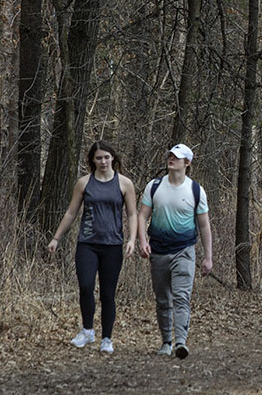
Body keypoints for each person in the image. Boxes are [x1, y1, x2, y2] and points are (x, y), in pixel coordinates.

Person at [47, 141, 137, 354]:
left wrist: (132, 239)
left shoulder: (124, 184)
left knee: (108, 293)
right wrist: (56, 238)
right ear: (92, 160)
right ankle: (88, 331)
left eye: (106, 157)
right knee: (86, 286)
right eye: (98, 158)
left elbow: (132, 214)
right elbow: (71, 212)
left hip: (113, 245)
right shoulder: (84, 183)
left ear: (113, 158)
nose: (103, 161)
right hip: (87, 243)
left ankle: (107, 338)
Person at [137, 144, 213, 359]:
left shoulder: (196, 190)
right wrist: (143, 241)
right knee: (163, 299)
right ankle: (166, 342)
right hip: (158, 251)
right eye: (170, 155)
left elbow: (205, 225)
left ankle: (180, 342)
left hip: (184, 250)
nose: (171, 159)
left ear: (187, 163)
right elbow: (142, 216)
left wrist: (208, 257)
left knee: (181, 296)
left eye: (177, 157)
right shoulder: (154, 186)